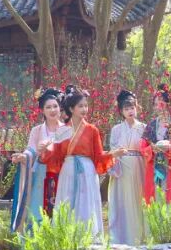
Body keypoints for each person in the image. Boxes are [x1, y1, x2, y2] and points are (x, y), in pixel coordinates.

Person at [40, 85, 125, 240]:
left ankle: (88, 238)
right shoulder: (62, 131)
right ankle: (66, 239)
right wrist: (44, 151)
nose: (85, 109)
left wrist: (113, 154)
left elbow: (98, 156)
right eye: (80, 106)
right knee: (66, 201)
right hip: (68, 170)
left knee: (87, 203)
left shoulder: (92, 130)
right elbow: (56, 156)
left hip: (87, 171)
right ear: (71, 109)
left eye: (86, 105)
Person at [9, 88, 65, 233]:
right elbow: (31, 150)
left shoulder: (67, 130)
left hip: (61, 174)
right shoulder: (37, 130)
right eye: (48, 107)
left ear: (60, 108)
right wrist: (24, 156)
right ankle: (35, 241)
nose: (52, 110)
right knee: (37, 209)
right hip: (41, 174)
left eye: (55, 106)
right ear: (42, 110)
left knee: (60, 209)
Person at [108, 90, 147, 245]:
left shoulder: (144, 127)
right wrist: (118, 154)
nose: (130, 111)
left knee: (139, 198)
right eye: (126, 109)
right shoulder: (116, 129)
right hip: (122, 167)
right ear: (121, 111)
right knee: (123, 200)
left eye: (132, 108)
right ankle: (123, 237)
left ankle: (141, 237)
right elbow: (112, 149)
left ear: (137, 108)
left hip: (139, 166)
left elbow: (147, 148)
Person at [143, 83, 171, 204]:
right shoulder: (151, 125)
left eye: (161, 103)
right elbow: (142, 148)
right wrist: (152, 149)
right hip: (153, 168)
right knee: (154, 205)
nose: (158, 107)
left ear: (169, 104)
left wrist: (169, 147)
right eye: (155, 104)